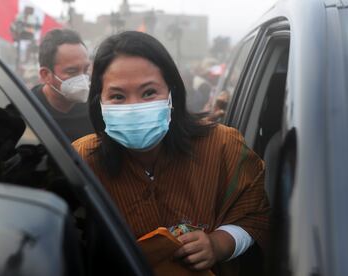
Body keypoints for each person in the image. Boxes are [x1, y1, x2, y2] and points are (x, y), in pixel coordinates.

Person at [73, 31, 269, 275]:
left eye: (148, 93)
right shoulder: (81, 160)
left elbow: (255, 215)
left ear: (171, 93)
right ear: (98, 102)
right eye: (117, 96)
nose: (134, 107)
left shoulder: (222, 146)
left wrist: (218, 244)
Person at [32, 29, 94, 142]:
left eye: (85, 70)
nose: (82, 79)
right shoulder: (28, 110)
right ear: (46, 75)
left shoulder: (96, 110)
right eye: (72, 71)